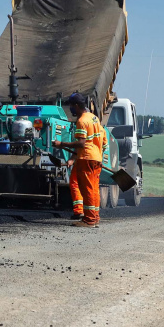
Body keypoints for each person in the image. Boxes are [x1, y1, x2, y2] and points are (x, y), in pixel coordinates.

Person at [53, 93, 106, 228]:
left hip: (87, 158)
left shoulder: (82, 121)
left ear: (76, 106)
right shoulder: (94, 118)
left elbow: (81, 143)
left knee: (87, 189)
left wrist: (61, 144)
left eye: (71, 106)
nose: (70, 109)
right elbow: (101, 140)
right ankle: (95, 217)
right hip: (96, 158)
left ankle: (89, 220)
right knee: (94, 189)